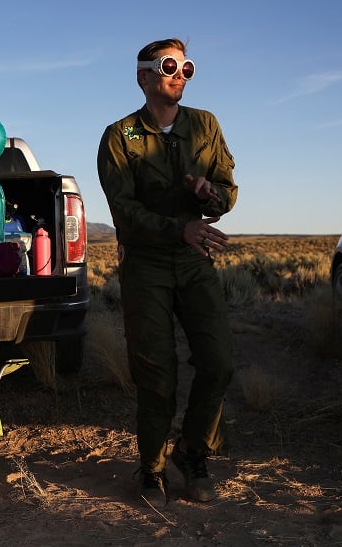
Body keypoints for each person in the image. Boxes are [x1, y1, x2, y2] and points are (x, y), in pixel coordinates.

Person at [96, 38, 237, 509]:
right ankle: (152, 468)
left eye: (186, 67)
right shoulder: (121, 137)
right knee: (156, 373)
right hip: (147, 263)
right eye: (168, 66)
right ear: (143, 75)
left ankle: (193, 455)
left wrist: (208, 196)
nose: (179, 74)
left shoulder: (205, 125)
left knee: (218, 363)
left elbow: (226, 189)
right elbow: (124, 212)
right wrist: (181, 228)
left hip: (195, 261)